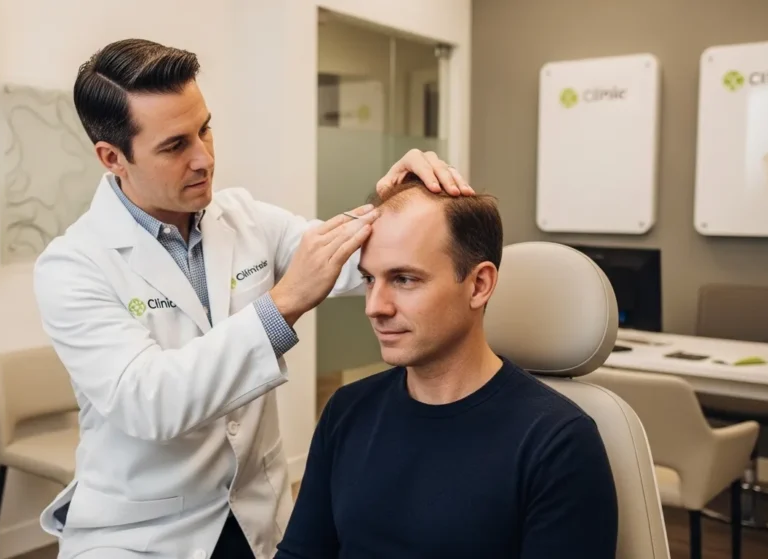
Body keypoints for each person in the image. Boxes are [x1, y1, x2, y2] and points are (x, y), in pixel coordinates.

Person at [31, 39, 473, 559]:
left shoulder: (244, 218)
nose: (204, 158)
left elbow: (359, 261)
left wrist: (405, 200)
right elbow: (150, 402)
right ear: (112, 158)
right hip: (143, 535)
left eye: (205, 128)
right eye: (175, 146)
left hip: (256, 517)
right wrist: (282, 304)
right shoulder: (74, 265)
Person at [275, 177, 619, 559]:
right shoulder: (347, 411)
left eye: (404, 279)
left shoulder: (558, 443)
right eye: (371, 279)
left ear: (479, 285)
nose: (375, 306)